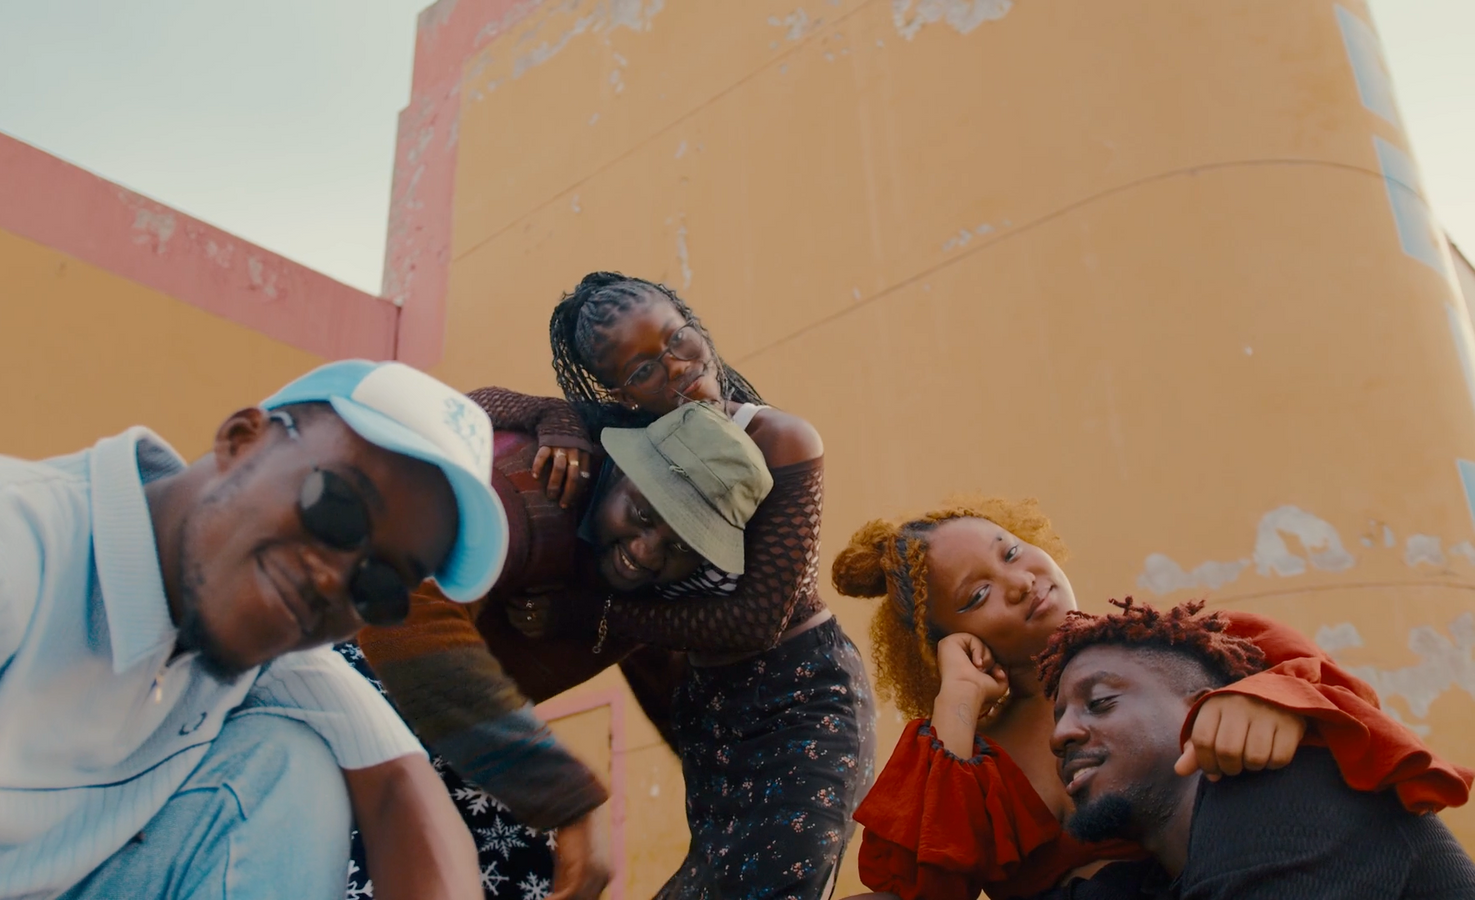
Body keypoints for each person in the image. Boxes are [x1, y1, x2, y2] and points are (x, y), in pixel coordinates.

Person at [0, 359, 504, 900]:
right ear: (241, 438)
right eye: (336, 508)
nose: (334, 579)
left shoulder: (252, 629)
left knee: (290, 764)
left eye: (383, 585)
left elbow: (400, 784)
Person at [833, 498, 1473, 900]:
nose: (1020, 581)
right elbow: (920, 888)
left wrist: (1263, 696)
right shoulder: (975, 764)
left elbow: (1341, 702)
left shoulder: (1189, 647)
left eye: (1011, 551)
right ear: (948, 641)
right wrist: (957, 704)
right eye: (977, 596)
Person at [497, 270, 876, 899]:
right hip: (710, 711)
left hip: (801, 698)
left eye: (678, 339)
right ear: (614, 389)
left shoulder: (778, 439)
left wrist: (586, 614)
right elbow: (481, 403)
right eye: (642, 369)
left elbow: (757, 621)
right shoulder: (626, 440)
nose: (675, 368)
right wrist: (556, 420)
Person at [350, 400, 775, 900]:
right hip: (358, 679)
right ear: (614, 471)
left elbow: (671, 695)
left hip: (448, 735)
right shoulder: (535, 489)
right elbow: (400, 612)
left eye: (681, 546)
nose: (645, 551)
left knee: (525, 870)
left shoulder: (655, 593)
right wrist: (568, 800)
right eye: (641, 513)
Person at [1034, 599, 1475, 898]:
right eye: (1060, 718)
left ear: (1200, 706)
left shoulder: (1282, 792)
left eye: (1099, 703)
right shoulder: (1146, 879)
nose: (1061, 737)